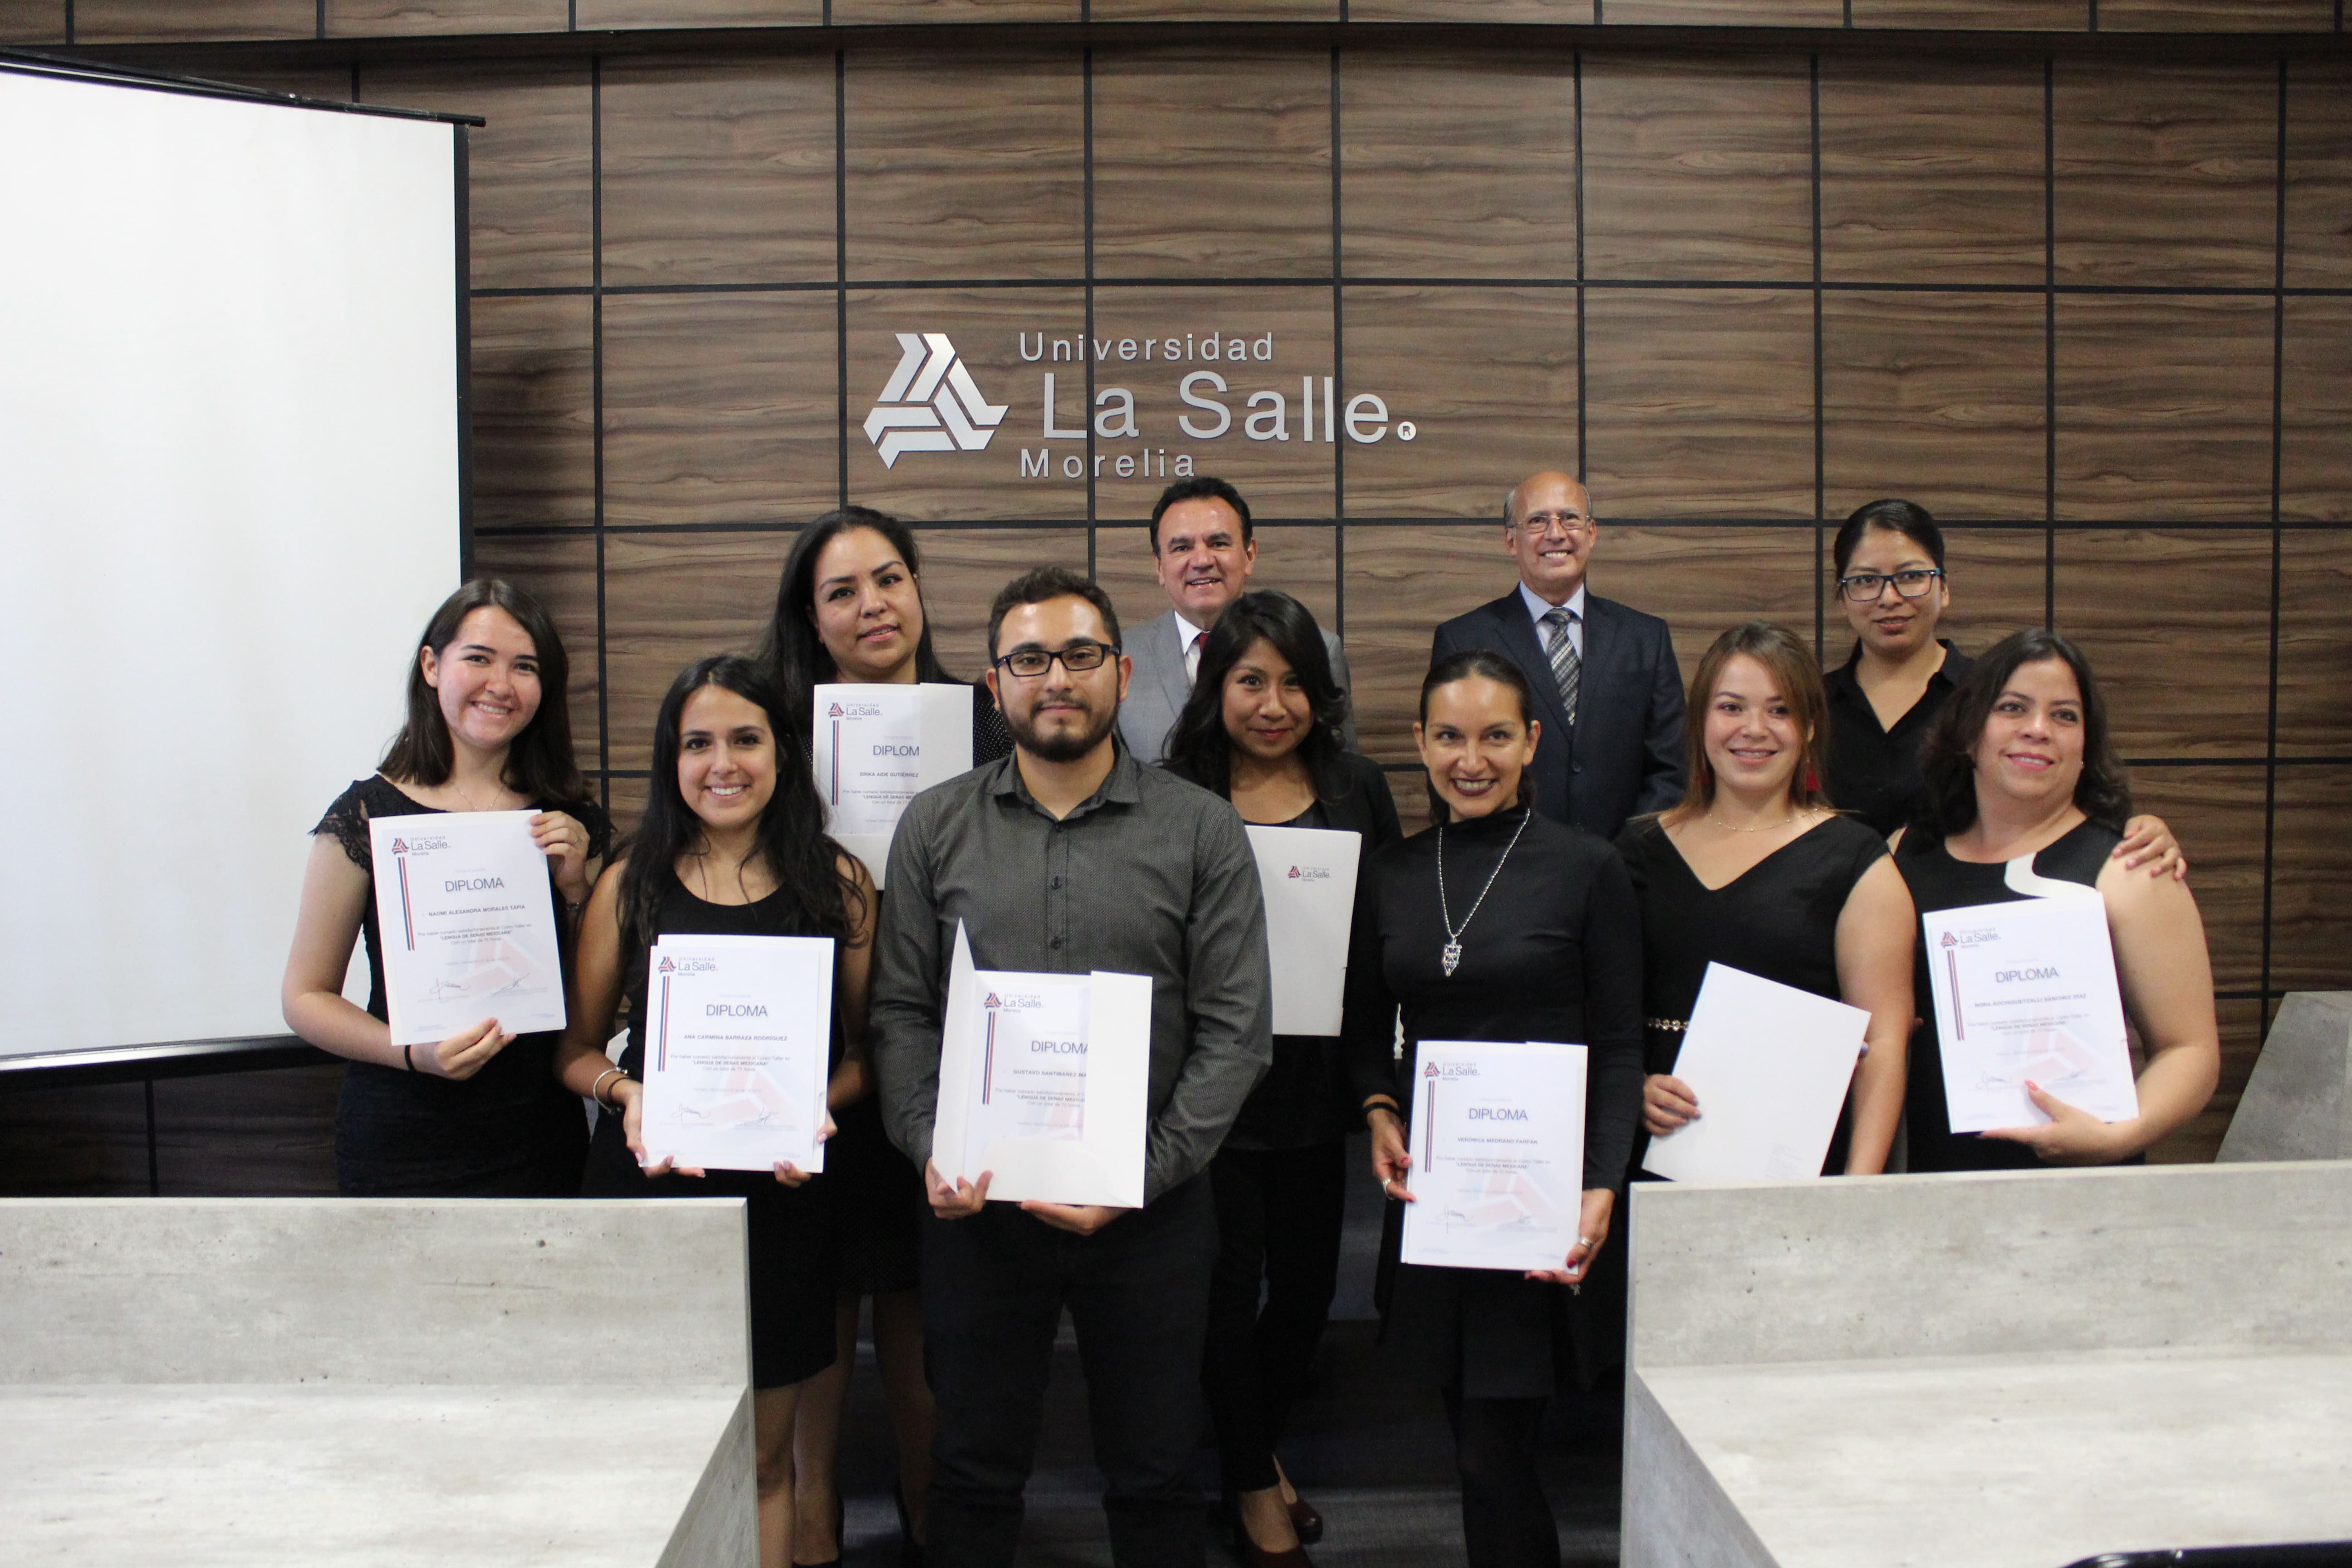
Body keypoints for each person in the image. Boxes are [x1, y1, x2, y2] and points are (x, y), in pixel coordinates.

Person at [869, 566, 1273, 1568]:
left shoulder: (1199, 829)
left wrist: (1141, 1170)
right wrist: (933, 1146)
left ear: (1124, 673)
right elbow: (902, 1013)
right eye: (1031, 659)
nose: (1059, 679)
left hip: (1154, 1212)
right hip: (978, 1208)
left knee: (1159, 1477)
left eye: (1082, 656)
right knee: (970, 1472)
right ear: (996, 684)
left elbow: (1236, 1033)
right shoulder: (934, 824)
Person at [553, 655, 875, 1568]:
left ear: (782, 753)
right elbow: (572, 1053)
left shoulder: (839, 884)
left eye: (745, 739)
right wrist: (629, 1093)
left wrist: (817, 1100)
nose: (721, 763)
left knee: (767, 1460)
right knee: (646, 1450)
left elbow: (871, 1056)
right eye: (698, 743)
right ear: (671, 758)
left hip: (780, 1205)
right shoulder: (630, 882)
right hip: (652, 1199)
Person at [1347, 650, 1643, 1568]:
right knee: (1467, 1449)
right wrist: (1379, 1109)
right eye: (1448, 737)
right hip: (1438, 1202)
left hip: (1539, 1198)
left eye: (1494, 736)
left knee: (1494, 1449)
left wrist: (1601, 1185)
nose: (1469, 758)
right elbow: (1361, 1020)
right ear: (1420, 744)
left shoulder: (1589, 867)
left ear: (1531, 745)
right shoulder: (1393, 870)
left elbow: (1621, 1043)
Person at [755, 506, 1006, 1568]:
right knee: (820, 1296)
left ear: (917, 589)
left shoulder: (987, 720)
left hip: (948, 1057)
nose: (872, 606)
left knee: (925, 1309)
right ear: (811, 620)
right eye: (843, 590)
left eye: (889, 578)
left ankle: (926, 1510)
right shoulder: (771, 731)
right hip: (813, 1066)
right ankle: (810, 1520)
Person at [1160, 591, 1402, 1568]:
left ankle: (1247, 1453)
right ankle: (1256, 1482)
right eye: (1250, 681)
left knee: (1306, 1296)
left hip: (1316, 1079)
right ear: (1216, 688)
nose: (1272, 703)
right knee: (1222, 1293)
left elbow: (1382, 945)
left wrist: (1380, 1086)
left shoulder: (1357, 787)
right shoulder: (1174, 788)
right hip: (1209, 1089)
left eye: (1294, 683)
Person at [283, 578, 608, 1197]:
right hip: (402, 1130)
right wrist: (413, 1054)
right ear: (433, 666)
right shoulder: (366, 815)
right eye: (478, 659)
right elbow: (304, 997)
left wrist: (575, 889)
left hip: (537, 1131)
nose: (501, 685)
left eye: (526, 667)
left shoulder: (568, 820)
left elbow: (594, 992)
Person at [1892, 629, 2220, 1172]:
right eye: (2013, 707)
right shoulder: (1904, 854)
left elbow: (2191, 1053)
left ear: (2086, 745)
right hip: (1929, 1186)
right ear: (1969, 733)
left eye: (2065, 716)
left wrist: (2122, 1136)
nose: (2039, 730)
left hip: (2079, 1190)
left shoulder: (2132, 869)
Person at [1617, 623, 1914, 1178]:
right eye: (1731, 707)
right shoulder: (1636, 850)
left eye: (1779, 711)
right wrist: (1630, 1088)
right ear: (1701, 720)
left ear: (1807, 728)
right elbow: (1601, 1016)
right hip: (1647, 1161)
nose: (1754, 730)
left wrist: (1858, 1192)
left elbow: (1884, 1045)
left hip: (1795, 1172)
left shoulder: (1856, 861)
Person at [1825, 498, 2185, 880]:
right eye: (1866, 580)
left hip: (1976, 918)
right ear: (1842, 601)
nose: (1890, 598)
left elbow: (2072, 801)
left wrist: (2139, 831)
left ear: (1943, 589)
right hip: (1830, 924)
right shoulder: (1804, 707)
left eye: (1911, 577)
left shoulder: (2003, 700)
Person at [1429, 471, 1683, 840]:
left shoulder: (1645, 638)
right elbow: (1449, 770)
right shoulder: (1463, 639)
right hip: (1509, 872)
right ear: (1510, 540)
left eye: (1570, 518)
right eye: (1537, 520)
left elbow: (1671, 771)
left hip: (1625, 875)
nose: (1556, 533)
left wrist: (1617, 861)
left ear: (1592, 534)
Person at [1117, 476, 1356, 764]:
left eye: (1218, 543)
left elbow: (1341, 775)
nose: (1202, 560)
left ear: (1249, 555)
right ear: (1159, 566)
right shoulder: (1121, 656)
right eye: (1182, 548)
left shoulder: (1319, 648)